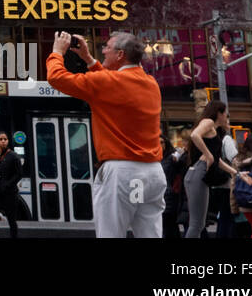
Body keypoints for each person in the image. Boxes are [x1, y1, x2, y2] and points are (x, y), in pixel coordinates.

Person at [46, 31, 165, 238]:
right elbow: (111, 82)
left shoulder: (107, 83)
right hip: (152, 174)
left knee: (110, 234)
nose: (103, 50)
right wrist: (89, 59)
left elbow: (56, 78)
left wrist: (57, 52)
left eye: (106, 48)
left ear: (120, 54)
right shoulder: (151, 83)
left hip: (122, 173)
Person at [183, 99, 240, 238]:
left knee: (199, 224)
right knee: (196, 224)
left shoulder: (214, 129)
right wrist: (208, 155)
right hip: (198, 174)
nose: (227, 116)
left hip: (200, 175)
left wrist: (236, 173)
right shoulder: (208, 122)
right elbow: (195, 135)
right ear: (218, 113)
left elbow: (218, 160)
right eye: (225, 113)